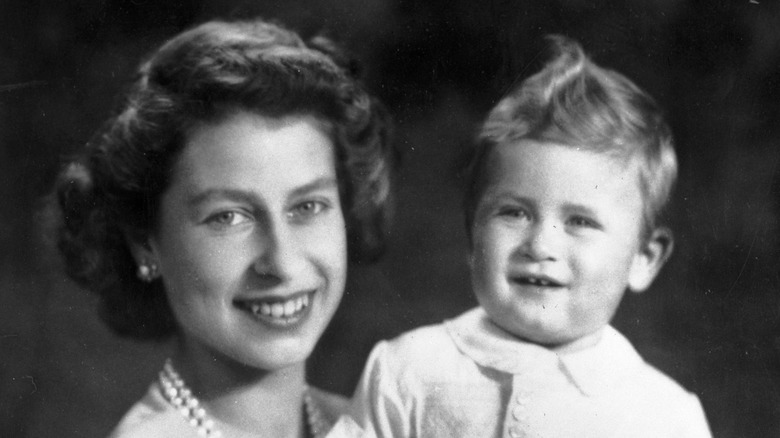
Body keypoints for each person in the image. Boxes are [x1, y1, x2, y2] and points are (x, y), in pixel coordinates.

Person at [350, 35, 712, 437]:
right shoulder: (408, 369)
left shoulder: (664, 414)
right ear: (474, 236)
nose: (540, 245)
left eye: (580, 222)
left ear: (644, 258)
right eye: (514, 213)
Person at [53, 17, 394, 438]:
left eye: (308, 206)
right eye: (228, 217)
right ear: (143, 240)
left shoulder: (363, 423)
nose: (282, 263)